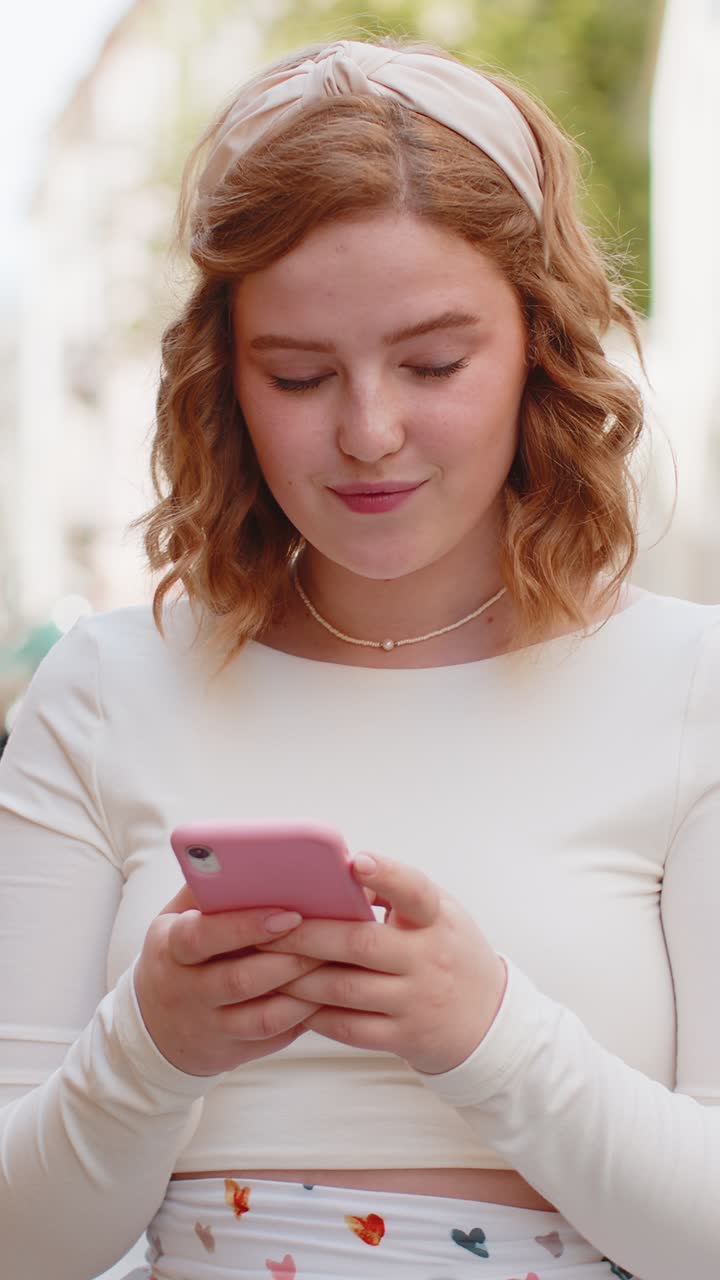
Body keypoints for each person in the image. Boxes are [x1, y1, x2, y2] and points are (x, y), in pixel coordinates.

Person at [0, 35, 718, 1280]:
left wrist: (488, 1034)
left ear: (541, 351)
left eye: (435, 362)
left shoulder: (688, 684)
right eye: (299, 373)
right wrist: (151, 1048)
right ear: (224, 379)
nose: (370, 431)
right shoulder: (106, 689)